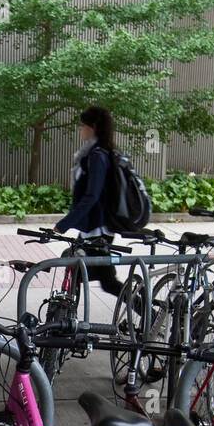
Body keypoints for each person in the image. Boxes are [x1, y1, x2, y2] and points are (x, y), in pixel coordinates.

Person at [53, 106, 124, 298]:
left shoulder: (98, 156)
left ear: (92, 127)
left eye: (82, 125)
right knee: (102, 281)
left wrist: (64, 224)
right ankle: (150, 310)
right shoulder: (95, 153)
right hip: (93, 230)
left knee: (80, 274)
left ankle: (152, 311)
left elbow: (92, 196)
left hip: (98, 231)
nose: (79, 129)